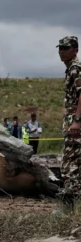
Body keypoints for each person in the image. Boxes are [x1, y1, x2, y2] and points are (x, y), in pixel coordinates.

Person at [58, 36, 81, 201]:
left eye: (66, 48)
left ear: (75, 50)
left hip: (76, 121)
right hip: (72, 118)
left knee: (69, 163)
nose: (61, 51)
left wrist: (76, 121)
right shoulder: (70, 69)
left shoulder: (75, 68)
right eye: (60, 48)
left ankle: (71, 203)